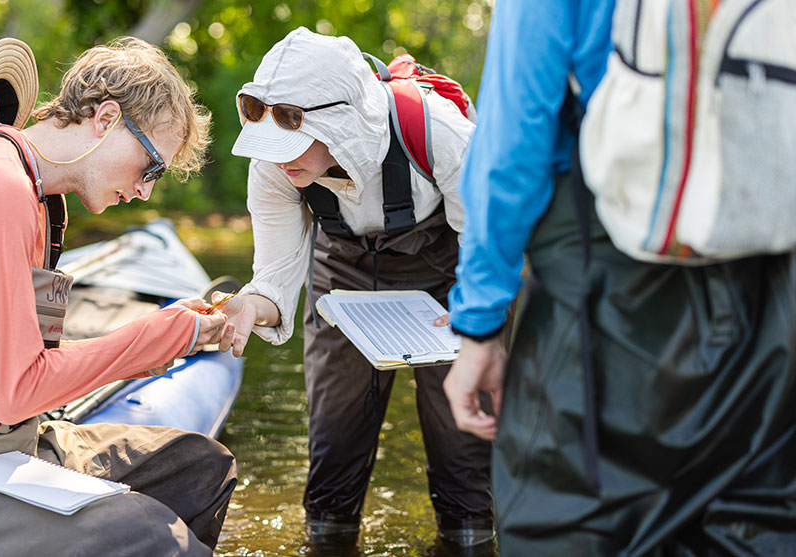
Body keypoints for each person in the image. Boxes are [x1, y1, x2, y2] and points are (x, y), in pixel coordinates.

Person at [0, 37, 237, 555]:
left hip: (0, 449)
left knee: (199, 467)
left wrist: (161, 342)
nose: (146, 191)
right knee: (152, 537)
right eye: (152, 168)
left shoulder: (32, 195)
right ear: (105, 118)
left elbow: (17, 371)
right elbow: (14, 391)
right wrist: (153, 339)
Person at [443, 1, 796, 554]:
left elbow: (516, 134)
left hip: (606, 279)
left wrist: (480, 323)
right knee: (759, 527)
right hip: (773, 267)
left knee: (566, 525)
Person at [217, 27, 495, 549]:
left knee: (463, 452)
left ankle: (470, 536)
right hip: (341, 279)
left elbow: (492, 239)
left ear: (341, 124)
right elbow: (274, 278)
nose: (279, 158)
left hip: (449, 276)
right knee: (334, 451)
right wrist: (248, 308)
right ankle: (329, 537)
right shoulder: (274, 170)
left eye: (292, 143)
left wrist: (475, 311)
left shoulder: (441, 133)